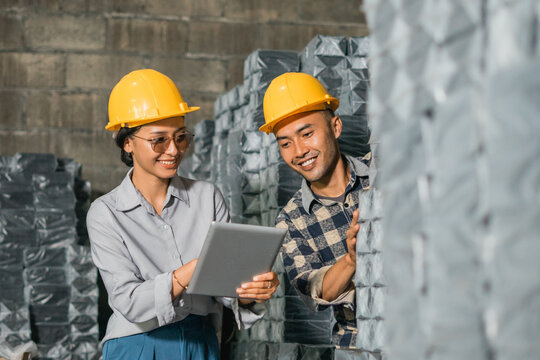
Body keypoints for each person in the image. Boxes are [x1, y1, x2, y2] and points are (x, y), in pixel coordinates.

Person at [87, 69, 279, 359]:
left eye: (180, 137)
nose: (174, 150)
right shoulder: (106, 214)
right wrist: (191, 271)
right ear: (128, 142)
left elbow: (224, 286)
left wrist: (249, 291)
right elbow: (129, 302)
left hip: (200, 342)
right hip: (136, 344)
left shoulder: (207, 197)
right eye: (159, 140)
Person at [259, 72, 370, 348]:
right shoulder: (291, 221)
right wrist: (352, 259)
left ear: (336, 126)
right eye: (285, 143)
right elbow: (316, 290)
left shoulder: (383, 175)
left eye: (307, 134)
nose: (299, 150)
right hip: (361, 347)